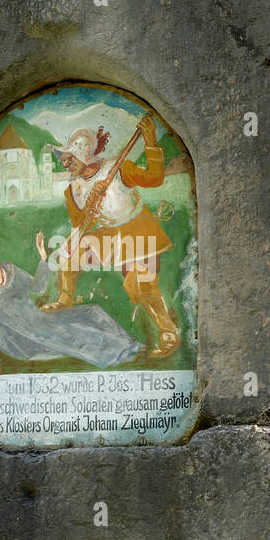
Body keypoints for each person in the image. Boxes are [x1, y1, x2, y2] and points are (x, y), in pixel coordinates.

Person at [43, 114, 181, 359]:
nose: (65, 164)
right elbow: (80, 224)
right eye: (63, 160)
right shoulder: (73, 188)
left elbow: (154, 178)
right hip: (108, 233)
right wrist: (91, 206)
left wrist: (150, 141)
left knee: (139, 287)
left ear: (83, 154)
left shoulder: (116, 168)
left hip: (137, 228)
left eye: (68, 159)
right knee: (71, 250)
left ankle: (168, 332)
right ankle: (65, 298)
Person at [0, 231, 141, 373]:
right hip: (19, 338)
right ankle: (120, 355)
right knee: (74, 333)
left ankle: (131, 344)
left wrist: (43, 259)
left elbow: (37, 288)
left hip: (37, 320)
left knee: (91, 311)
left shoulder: (10, 270)